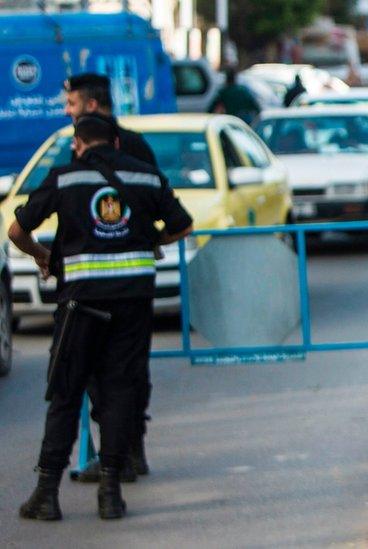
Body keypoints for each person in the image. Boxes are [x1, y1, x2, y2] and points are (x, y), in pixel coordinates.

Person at [11, 114, 193, 521]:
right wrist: (150, 241)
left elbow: (16, 231)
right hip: (132, 301)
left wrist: (43, 257)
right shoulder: (146, 177)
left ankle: (46, 494)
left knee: (65, 393)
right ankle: (111, 493)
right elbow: (183, 225)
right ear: (114, 142)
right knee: (119, 392)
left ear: (78, 144)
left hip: (81, 304)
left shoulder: (64, 178)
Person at [63, 73, 159, 482]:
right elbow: (161, 204)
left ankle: (117, 458)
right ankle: (128, 453)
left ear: (89, 105)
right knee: (128, 370)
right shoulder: (135, 145)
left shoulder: (90, 149)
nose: (66, 111)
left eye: (70, 104)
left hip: (93, 284)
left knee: (101, 374)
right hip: (134, 281)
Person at [64, 74, 157, 167]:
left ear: (91, 105)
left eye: (72, 104)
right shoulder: (134, 142)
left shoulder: (132, 146)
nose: (66, 111)